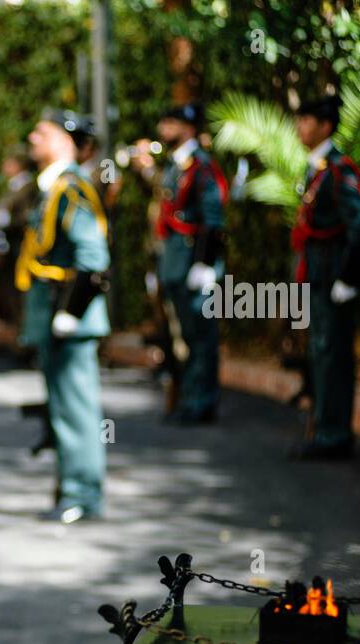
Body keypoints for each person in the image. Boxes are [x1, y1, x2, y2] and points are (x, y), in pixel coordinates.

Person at [16, 109, 111, 522]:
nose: (34, 136)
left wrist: (71, 311)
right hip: (54, 312)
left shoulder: (71, 189)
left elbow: (94, 258)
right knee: (61, 407)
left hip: (69, 316)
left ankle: (83, 495)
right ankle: (70, 490)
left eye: (44, 132)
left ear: (66, 142)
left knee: (75, 409)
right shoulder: (53, 185)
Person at [133, 102, 228, 425]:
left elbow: (212, 218)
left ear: (187, 128)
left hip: (192, 261)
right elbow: (166, 199)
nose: (163, 127)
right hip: (174, 261)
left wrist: (204, 262)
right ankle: (190, 398)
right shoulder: (177, 165)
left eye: (171, 121)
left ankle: (202, 401)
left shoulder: (199, 166)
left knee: (201, 335)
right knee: (184, 336)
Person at [290, 93, 360, 460]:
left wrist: (348, 279)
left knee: (333, 354)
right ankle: (325, 429)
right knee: (321, 353)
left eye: (307, 120)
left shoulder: (339, 170)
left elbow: (359, 228)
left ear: (325, 126)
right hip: (318, 277)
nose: (300, 126)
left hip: (332, 275)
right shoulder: (319, 167)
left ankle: (335, 434)